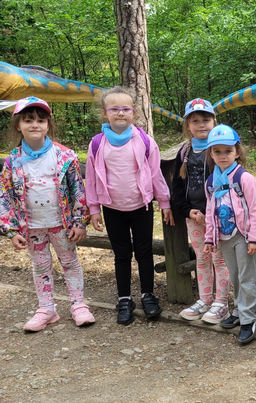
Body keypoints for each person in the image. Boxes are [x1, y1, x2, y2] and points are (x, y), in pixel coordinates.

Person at [0, 97, 94, 331]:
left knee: (70, 262)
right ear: (18, 125)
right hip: (32, 227)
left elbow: (77, 189)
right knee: (40, 266)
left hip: (61, 225)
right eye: (28, 120)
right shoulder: (12, 161)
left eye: (40, 121)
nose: (35, 125)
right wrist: (11, 229)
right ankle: (47, 309)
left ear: (48, 125)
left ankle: (78, 305)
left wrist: (79, 222)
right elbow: (4, 195)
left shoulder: (64, 156)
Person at [85, 86, 173, 325]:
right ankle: (124, 299)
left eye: (126, 108)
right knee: (122, 255)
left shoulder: (144, 141)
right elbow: (91, 178)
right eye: (114, 109)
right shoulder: (97, 143)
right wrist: (94, 208)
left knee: (144, 252)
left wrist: (164, 201)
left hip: (141, 207)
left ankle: (148, 295)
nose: (121, 113)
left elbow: (155, 174)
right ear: (105, 113)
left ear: (134, 112)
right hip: (112, 208)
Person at [203, 124, 256, 345]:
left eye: (228, 151)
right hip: (224, 237)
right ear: (211, 154)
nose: (223, 155)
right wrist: (210, 237)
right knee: (235, 275)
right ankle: (239, 311)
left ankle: (249, 319)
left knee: (246, 276)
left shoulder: (244, 178)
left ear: (237, 152)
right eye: (217, 151)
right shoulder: (211, 181)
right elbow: (210, 210)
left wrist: (255, 238)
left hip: (243, 236)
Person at [170, 99, 231, 324]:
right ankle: (205, 299)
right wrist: (187, 211)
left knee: (219, 259)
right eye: (195, 121)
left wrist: (213, 212)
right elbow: (177, 185)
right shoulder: (185, 151)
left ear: (214, 121)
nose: (201, 125)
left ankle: (221, 303)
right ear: (188, 126)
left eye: (206, 119)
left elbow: (232, 181)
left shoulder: (221, 149)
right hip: (194, 217)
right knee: (202, 257)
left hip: (219, 217)